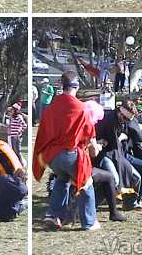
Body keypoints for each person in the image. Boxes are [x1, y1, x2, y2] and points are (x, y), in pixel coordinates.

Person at [33, 71, 99, 230]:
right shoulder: (81, 108)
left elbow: (43, 131)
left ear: (62, 86)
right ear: (76, 87)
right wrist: (94, 148)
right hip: (69, 154)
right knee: (86, 183)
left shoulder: (51, 106)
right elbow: (89, 134)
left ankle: (53, 216)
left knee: (62, 180)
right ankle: (89, 223)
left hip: (52, 157)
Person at [94, 102, 142, 210]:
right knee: (113, 180)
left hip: (117, 154)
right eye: (126, 119)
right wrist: (120, 138)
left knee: (136, 177)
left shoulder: (120, 120)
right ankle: (90, 205)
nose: (126, 122)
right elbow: (112, 142)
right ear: (120, 114)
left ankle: (130, 203)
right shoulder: (109, 120)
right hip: (104, 154)